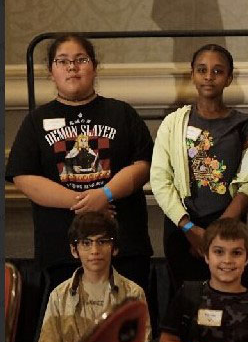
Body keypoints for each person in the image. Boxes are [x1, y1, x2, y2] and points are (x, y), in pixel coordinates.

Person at [6, 34, 153, 294]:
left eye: (80, 60)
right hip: (63, 250)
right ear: (51, 71)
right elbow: (23, 176)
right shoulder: (35, 121)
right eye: (62, 61)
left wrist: (105, 194)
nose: (72, 67)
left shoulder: (122, 113)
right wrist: (83, 203)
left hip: (124, 244)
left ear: (94, 66)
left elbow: (144, 164)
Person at [151, 44, 248, 292]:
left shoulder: (245, 126)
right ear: (192, 74)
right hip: (182, 230)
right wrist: (189, 229)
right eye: (202, 70)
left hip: (229, 230)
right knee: (186, 302)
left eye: (217, 71)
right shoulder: (173, 123)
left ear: (229, 78)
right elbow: (160, 179)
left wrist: (216, 233)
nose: (209, 76)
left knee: (228, 299)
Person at [36, 211, 152, 342]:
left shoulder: (133, 293)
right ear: (74, 250)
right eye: (86, 243)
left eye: (103, 242)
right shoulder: (59, 295)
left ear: (115, 248)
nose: (95, 250)